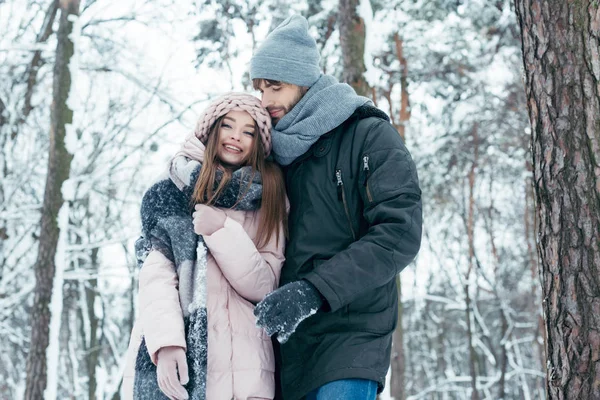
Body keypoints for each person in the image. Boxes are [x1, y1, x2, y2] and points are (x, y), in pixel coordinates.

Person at [250, 15, 423, 400]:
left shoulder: (367, 135)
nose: (265, 101)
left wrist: (314, 290)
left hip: (352, 332)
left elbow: (399, 231)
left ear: (305, 80)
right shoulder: (270, 153)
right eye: (259, 88)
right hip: (285, 343)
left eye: (275, 86)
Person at [122, 93, 287, 400]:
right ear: (211, 130)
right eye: (227, 125)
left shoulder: (270, 200)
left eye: (249, 131)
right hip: (179, 352)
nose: (236, 136)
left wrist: (223, 231)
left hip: (246, 367)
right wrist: (166, 342)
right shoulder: (170, 191)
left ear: (259, 143)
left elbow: (265, 285)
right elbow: (156, 275)